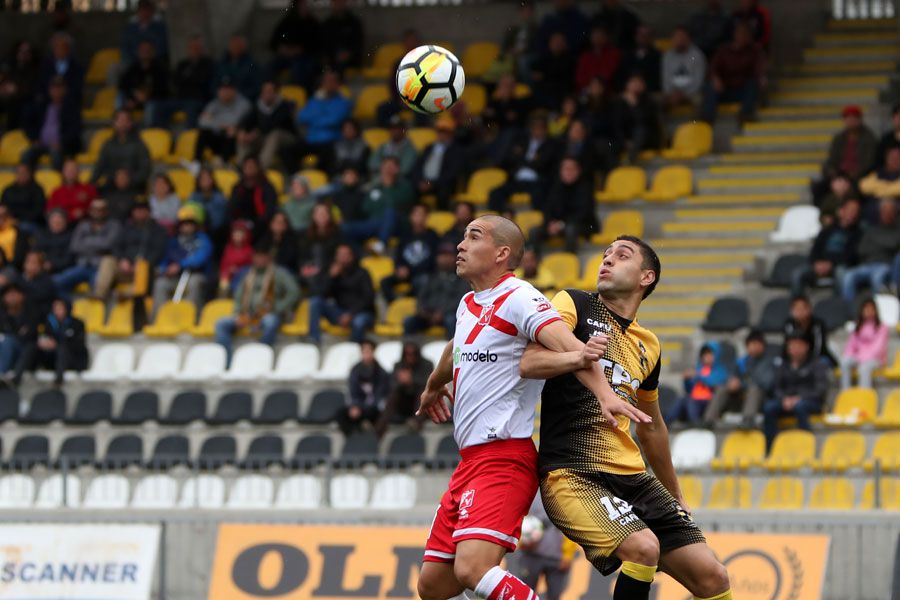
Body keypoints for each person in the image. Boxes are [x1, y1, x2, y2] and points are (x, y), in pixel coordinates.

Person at [415, 218, 652, 600]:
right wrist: (432, 385)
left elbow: (570, 347)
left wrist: (606, 395)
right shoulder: (468, 303)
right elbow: (455, 346)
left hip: (503, 458)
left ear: (501, 253)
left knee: (473, 569)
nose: (460, 245)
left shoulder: (521, 298)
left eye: (473, 237)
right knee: (433, 586)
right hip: (469, 461)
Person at [518, 235, 731, 600]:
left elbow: (652, 427)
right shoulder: (574, 303)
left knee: (714, 577)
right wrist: (579, 357)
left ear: (646, 277)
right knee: (643, 549)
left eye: (621, 255)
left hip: (635, 479)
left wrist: (674, 492)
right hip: (573, 473)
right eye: (605, 255)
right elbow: (529, 362)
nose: (607, 260)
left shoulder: (649, 344)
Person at [215, 242, 300, 363]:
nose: (259, 259)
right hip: (248, 315)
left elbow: (294, 292)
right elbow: (239, 296)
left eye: (262, 256)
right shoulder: (248, 274)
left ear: (269, 258)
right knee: (221, 323)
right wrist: (237, 314)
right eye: (257, 256)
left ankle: (259, 357)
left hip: (270, 313)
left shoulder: (280, 273)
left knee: (270, 321)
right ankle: (227, 362)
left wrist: (278, 308)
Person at [762, 332, 828, 449]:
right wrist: (784, 399)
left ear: (806, 346)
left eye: (798, 346)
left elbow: (820, 389)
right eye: (791, 346)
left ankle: (806, 445)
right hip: (786, 401)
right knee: (769, 407)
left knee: (800, 407)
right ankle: (770, 446)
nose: (794, 349)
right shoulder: (783, 364)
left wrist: (799, 398)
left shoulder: (817, 364)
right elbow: (777, 387)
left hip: (810, 401)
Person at [703, 330, 776, 428]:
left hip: (761, 400)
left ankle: (748, 419)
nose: (753, 347)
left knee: (754, 389)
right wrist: (732, 382)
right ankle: (708, 420)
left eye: (756, 344)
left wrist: (741, 384)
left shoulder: (769, 362)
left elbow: (767, 383)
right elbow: (731, 376)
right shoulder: (742, 362)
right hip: (740, 398)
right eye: (751, 344)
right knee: (722, 388)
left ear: (763, 346)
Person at [488, 114, 560, 212]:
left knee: (541, 195)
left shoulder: (551, 144)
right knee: (495, 193)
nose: (537, 131)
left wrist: (522, 159)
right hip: (517, 179)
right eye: (534, 128)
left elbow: (542, 164)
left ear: (546, 130)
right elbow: (510, 158)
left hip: (537, 181)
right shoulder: (522, 141)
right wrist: (531, 161)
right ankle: (503, 217)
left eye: (540, 128)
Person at [284, 69, 352, 173]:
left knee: (328, 155)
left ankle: (319, 178)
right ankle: (297, 176)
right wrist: (321, 109)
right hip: (311, 140)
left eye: (331, 81)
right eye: (326, 81)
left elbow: (334, 121)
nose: (328, 84)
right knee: (287, 151)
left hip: (330, 141)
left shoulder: (343, 102)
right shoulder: (315, 100)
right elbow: (302, 117)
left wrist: (314, 119)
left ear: (338, 84)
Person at [791, 197, 861, 296]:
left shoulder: (857, 233)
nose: (853, 214)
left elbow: (851, 256)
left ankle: (837, 304)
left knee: (841, 273)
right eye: (850, 210)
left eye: (856, 211)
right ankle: (798, 305)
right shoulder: (828, 230)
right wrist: (817, 263)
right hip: (820, 264)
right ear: (841, 211)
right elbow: (815, 250)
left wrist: (831, 264)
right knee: (797, 274)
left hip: (839, 265)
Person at [342, 156, 414, 253]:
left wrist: (389, 187)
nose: (387, 170)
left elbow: (397, 205)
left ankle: (380, 246)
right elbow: (366, 207)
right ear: (381, 168)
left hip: (397, 225)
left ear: (397, 169)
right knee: (345, 228)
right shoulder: (375, 187)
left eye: (391, 167)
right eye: (385, 167)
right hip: (373, 224)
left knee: (390, 212)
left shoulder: (405, 186)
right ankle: (360, 252)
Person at [52, 199, 121, 298]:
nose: (98, 212)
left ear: (107, 211)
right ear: (90, 211)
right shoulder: (82, 225)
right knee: (56, 282)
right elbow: (74, 246)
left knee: (99, 290)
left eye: (101, 209)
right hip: (82, 265)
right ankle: (66, 308)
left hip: (101, 267)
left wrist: (86, 242)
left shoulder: (114, 226)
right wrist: (98, 244)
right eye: (95, 209)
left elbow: (108, 244)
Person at [513, 494, 578, 600]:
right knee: (523, 595)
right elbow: (519, 517)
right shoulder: (532, 491)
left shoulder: (567, 495)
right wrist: (522, 542)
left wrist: (567, 555)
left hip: (557, 558)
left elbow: (572, 527)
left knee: (554, 596)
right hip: (531, 555)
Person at [700, 22, 765, 124]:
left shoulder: (754, 51)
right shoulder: (724, 50)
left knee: (753, 84)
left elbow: (759, 69)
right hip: (723, 89)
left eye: (746, 34)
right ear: (735, 34)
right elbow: (712, 68)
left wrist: (761, 78)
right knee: (709, 86)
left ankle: (745, 115)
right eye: (740, 33)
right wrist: (715, 78)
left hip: (742, 90)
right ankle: (707, 119)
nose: (743, 36)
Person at [308, 243, 374, 343]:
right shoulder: (334, 273)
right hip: (340, 312)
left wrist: (351, 314)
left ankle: (353, 348)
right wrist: (331, 277)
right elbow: (322, 294)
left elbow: (368, 298)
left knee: (358, 322)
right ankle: (314, 339)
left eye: (344, 255)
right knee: (315, 301)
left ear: (351, 257)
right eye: (339, 255)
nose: (341, 258)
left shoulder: (362, 273)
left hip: (362, 312)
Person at [13, 297, 87, 387]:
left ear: (67, 308)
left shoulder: (77, 324)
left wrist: (56, 344)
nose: (57, 311)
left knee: (62, 349)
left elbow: (78, 345)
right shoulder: (49, 323)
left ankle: (59, 380)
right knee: (31, 347)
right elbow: (44, 337)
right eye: (55, 308)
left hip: (72, 359)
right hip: (53, 358)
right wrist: (44, 343)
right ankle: (16, 378)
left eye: (60, 308)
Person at [152, 205, 212, 315]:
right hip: (175, 277)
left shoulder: (203, 239)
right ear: (179, 226)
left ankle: (190, 317)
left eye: (190, 224)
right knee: (160, 284)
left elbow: (200, 258)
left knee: (194, 284)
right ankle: (160, 319)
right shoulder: (173, 242)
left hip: (195, 274)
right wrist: (164, 269)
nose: (187, 227)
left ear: (195, 225)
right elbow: (166, 259)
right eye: (184, 224)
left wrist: (181, 265)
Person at [403, 242, 470, 337]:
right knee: (409, 321)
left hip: (448, 314)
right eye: (442, 255)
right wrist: (423, 312)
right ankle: (411, 350)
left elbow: (460, 300)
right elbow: (421, 297)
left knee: (451, 321)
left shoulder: (461, 279)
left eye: (448, 255)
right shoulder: (431, 278)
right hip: (428, 315)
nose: (444, 259)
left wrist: (442, 313)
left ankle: (451, 350)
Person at [840, 198, 900, 303]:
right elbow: (862, 249)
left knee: (877, 277)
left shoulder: (897, 230)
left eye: (890, 212)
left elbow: (894, 244)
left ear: (895, 213)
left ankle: (877, 309)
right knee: (848, 276)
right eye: (884, 211)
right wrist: (884, 245)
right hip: (866, 264)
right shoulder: (871, 229)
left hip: (886, 265)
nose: (886, 214)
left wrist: (877, 243)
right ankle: (850, 309)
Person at [530, 157, 596, 253]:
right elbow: (548, 208)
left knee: (570, 229)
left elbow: (583, 213)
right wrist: (550, 223)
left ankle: (569, 259)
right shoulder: (555, 188)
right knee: (534, 231)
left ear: (578, 171)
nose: (568, 172)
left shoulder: (585, 188)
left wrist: (561, 224)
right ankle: (534, 262)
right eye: (565, 169)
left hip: (581, 225)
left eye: (571, 169)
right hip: (557, 225)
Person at [148, 34, 213, 128]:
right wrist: (191, 79)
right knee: (158, 106)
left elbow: (202, 81)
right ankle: (161, 135)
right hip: (180, 98)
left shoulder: (208, 64)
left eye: (197, 47)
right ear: (188, 48)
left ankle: (190, 137)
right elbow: (176, 81)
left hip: (198, 99)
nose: (195, 49)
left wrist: (188, 78)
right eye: (192, 47)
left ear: (202, 49)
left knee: (191, 108)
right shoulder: (182, 64)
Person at [22, 75, 81, 170]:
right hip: (41, 143)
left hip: (61, 145)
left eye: (59, 88)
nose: (56, 91)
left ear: (64, 89)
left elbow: (75, 129)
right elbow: (28, 124)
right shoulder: (41, 105)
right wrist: (34, 139)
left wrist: (61, 142)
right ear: (49, 89)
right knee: (26, 155)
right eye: (53, 88)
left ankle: (59, 181)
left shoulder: (71, 107)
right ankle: (28, 182)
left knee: (56, 155)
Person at [382, 203, 439, 302]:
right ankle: (395, 304)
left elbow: (432, 260)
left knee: (422, 280)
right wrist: (399, 268)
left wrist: (411, 270)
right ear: (410, 217)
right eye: (415, 214)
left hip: (423, 273)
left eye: (421, 214)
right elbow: (398, 255)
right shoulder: (405, 235)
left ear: (426, 217)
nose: (418, 217)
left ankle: (409, 302)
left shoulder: (432, 236)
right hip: (406, 273)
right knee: (385, 282)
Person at [236, 80, 297, 169]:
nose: (265, 94)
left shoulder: (286, 105)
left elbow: (271, 125)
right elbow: (246, 121)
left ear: (276, 93)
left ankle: (261, 168)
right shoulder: (258, 105)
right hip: (264, 138)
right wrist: (242, 131)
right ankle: (242, 167)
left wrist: (254, 134)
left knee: (275, 134)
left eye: (269, 92)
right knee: (242, 137)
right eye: (264, 91)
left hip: (287, 139)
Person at [665, 342, 728, 426]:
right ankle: (666, 422)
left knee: (691, 401)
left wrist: (698, 376)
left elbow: (714, 382)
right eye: (705, 354)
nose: (707, 357)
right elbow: (689, 389)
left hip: (709, 402)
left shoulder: (721, 370)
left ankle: (695, 423)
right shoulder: (699, 369)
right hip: (695, 400)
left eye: (710, 354)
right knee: (682, 399)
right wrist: (686, 380)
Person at [378, 341, 433, 436]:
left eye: (413, 354)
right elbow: (392, 385)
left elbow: (430, 385)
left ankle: (416, 423)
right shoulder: (398, 365)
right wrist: (402, 382)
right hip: (403, 404)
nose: (410, 356)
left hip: (421, 405)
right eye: (407, 354)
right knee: (394, 394)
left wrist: (411, 380)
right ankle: (379, 428)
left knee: (422, 392)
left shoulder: (427, 364)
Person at [115, 198, 167, 295]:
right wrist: (122, 260)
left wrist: (142, 263)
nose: (139, 212)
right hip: (126, 267)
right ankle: (98, 294)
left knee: (142, 267)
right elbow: (116, 246)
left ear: (149, 211)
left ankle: (134, 297)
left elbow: (159, 251)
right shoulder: (126, 228)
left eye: (143, 209)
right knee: (107, 261)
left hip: (148, 269)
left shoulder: (158, 229)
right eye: (137, 210)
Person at [338, 339, 390, 436]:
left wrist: (361, 408)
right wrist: (355, 406)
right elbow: (353, 391)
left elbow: (379, 395)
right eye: (364, 351)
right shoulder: (355, 370)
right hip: (358, 406)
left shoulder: (381, 372)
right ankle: (351, 436)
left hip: (373, 407)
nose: (366, 354)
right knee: (341, 413)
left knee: (376, 413)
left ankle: (367, 430)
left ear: (373, 352)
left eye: (368, 351)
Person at [90, 110, 151, 191]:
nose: (122, 123)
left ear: (130, 123)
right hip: (111, 186)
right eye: (119, 120)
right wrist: (89, 185)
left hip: (134, 187)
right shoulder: (108, 145)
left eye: (125, 120)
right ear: (114, 123)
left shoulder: (139, 145)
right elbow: (99, 167)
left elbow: (145, 169)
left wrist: (128, 179)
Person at [411, 119, 466, 209]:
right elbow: (417, 166)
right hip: (424, 181)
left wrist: (432, 184)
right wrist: (419, 181)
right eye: (440, 131)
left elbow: (452, 173)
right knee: (409, 189)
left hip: (441, 184)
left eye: (445, 132)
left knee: (444, 191)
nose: (442, 134)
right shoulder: (428, 147)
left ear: (451, 133)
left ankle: (441, 215)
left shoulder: (456, 151)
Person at [195, 78, 251, 163]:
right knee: (203, 133)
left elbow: (234, 122)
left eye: (228, 89)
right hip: (218, 138)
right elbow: (202, 122)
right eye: (222, 89)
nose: (225, 92)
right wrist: (222, 125)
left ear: (234, 90)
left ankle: (224, 162)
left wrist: (213, 119)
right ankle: (196, 163)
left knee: (231, 132)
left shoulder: (243, 103)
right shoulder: (214, 103)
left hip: (235, 141)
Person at [821, 105, 878, 184]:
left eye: (853, 118)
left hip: (860, 176)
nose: (851, 121)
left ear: (860, 119)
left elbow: (869, 163)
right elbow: (832, 159)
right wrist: (833, 174)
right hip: (839, 175)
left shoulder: (869, 138)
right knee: (819, 188)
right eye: (848, 118)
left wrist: (854, 175)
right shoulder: (839, 138)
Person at [840, 298, 889, 390]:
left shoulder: (882, 327)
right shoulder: (858, 326)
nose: (869, 311)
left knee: (864, 368)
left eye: (871, 309)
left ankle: (864, 396)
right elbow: (850, 346)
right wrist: (849, 355)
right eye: (866, 309)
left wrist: (862, 358)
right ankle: (845, 392)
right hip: (859, 357)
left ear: (876, 310)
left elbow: (878, 348)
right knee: (844, 362)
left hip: (876, 359)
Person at [613, 74, 663, 163]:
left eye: (638, 82)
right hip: (627, 140)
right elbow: (617, 124)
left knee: (641, 129)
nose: (636, 85)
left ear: (644, 85)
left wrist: (634, 105)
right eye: (633, 82)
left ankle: (630, 158)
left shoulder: (650, 101)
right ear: (627, 85)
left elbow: (644, 122)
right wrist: (625, 141)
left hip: (648, 139)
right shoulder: (620, 103)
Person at [298, 203, 345, 294]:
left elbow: (343, 251)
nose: (322, 216)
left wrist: (338, 264)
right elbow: (302, 256)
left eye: (324, 213)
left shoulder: (338, 233)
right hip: (313, 268)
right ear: (313, 216)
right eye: (319, 214)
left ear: (329, 216)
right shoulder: (306, 235)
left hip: (330, 268)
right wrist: (305, 267)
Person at [783, 295, 837, 367]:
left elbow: (820, 348)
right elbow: (788, 345)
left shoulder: (818, 324)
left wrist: (808, 361)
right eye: (796, 309)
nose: (800, 312)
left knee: (822, 362)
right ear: (791, 311)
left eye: (803, 308)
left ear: (809, 309)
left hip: (818, 356)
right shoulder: (789, 324)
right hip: (796, 357)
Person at [229, 156, 278, 234]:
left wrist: (256, 223)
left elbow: (269, 211)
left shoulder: (267, 187)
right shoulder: (238, 187)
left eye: (252, 166)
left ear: (258, 168)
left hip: (260, 225)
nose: (249, 169)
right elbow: (231, 208)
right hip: (239, 224)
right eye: (247, 167)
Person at [117, 40, 168, 115]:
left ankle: (149, 126)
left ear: (153, 52)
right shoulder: (132, 68)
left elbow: (163, 90)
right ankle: (121, 124)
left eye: (148, 50)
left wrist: (147, 96)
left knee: (151, 106)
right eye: (143, 50)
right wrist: (132, 97)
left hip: (153, 100)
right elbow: (123, 85)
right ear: (138, 51)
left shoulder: (160, 69)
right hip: (134, 99)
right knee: (120, 98)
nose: (145, 52)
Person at [661, 26, 707, 110]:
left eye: (682, 37)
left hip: (692, 92)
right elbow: (665, 79)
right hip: (673, 92)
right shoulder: (668, 55)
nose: (679, 40)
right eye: (676, 37)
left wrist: (684, 94)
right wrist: (672, 93)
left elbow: (698, 80)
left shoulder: (697, 55)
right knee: (657, 101)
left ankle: (695, 123)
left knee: (700, 100)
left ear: (688, 39)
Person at [530, 32, 576, 110]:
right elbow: (535, 69)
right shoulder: (545, 57)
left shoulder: (570, 58)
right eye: (554, 41)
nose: (556, 44)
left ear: (564, 44)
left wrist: (545, 75)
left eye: (559, 41)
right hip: (545, 90)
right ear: (549, 43)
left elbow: (562, 74)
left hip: (561, 91)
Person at [0, 283, 37, 381]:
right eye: (8, 295)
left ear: (22, 296)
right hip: (4, 350)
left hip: (24, 352)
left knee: (7, 340)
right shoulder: (2, 314)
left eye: (14, 294)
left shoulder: (30, 312)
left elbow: (30, 335)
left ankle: (2, 374)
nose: (12, 298)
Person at [186, 167, 229, 249]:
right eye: (202, 178)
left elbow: (218, 222)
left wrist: (203, 226)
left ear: (212, 180)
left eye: (207, 178)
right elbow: (188, 214)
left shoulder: (219, 197)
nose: (205, 181)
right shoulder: (194, 196)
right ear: (198, 181)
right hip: (196, 229)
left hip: (214, 233)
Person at [36, 32, 83, 104]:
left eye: (62, 47)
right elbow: (41, 82)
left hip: (69, 100)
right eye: (56, 47)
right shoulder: (46, 64)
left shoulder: (76, 65)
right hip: (48, 99)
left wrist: (62, 93)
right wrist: (52, 93)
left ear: (68, 48)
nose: (59, 49)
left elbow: (77, 85)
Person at [120, 0, 168, 67]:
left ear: (152, 12)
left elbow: (162, 47)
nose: (145, 13)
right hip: (132, 61)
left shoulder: (160, 28)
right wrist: (136, 58)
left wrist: (148, 56)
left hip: (153, 62)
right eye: (142, 10)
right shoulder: (130, 29)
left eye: (147, 10)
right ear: (138, 12)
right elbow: (125, 47)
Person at [214, 33, 261, 101]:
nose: (236, 47)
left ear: (244, 47)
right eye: (233, 45)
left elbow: (256, 87)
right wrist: (219, 93)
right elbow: (214, 82)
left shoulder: (252, 65)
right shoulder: (221, 64)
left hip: (242, 100)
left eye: (239, 45)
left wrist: (236, 95)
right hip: (221, 100)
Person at [321, 0, 364, 72]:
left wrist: (349, 54)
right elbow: (323, 44)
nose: (338, 4)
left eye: (340, 1)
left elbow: (358, 44)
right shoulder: (327, 24)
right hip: (331, 58)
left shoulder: (354, 23)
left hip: (351, 60)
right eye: (335, 2)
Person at [46, 159, 94, 223]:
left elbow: (96, 208)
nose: (71, 171)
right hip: (63, 225)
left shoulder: (88, 189)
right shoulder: (56, 192)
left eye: (73, 169)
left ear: (78, 171)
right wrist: (69, 215)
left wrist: (84, 211)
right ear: (63, 172)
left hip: (83, 223)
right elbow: (50, 211)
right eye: (68, 169)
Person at [574, 26, 621, 92]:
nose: (598, 38)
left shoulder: (614, 54)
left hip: (607, 91)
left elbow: (609, 75)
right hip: (587, 91)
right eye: (595, 35)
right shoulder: (585, 56)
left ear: (606, 37)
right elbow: (580, 78)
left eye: (601, 35)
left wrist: (598, 86)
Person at [1, 162, 45, 231]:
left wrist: (17, 219)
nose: (21, 175)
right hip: (9, 221)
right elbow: (3, 207)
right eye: (18, 172)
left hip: (29, 222)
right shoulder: (8, 189)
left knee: (23, 227)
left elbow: (38, 212)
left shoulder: (37, 190)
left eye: (24, 172)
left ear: (30, 173)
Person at [620, 25, 662, 92]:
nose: (644, 37)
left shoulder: (658, 56)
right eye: (641, 34)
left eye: (647, 35)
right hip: (628, 91)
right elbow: (622, 74)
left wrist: (642, 87)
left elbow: (657, 78)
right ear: (636, 36)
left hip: (649, 92)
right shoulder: (627, 55)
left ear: (652, 38)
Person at [219, 220, 254, 293]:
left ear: (246, 235)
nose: (237, 235)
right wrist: (228, 270)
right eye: (235, 232)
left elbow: (250, 267)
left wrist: (238, 270)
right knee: (223, 285)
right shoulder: (228, 248)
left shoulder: (249, 250)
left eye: (241, 233)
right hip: (228, 276)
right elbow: (224, 264)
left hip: (242, 277)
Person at [35, 209, 73, 275]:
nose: (56, 223)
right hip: (41, 268)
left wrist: (52, 264)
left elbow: (68, 259)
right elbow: (35, 252)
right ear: (49, 222)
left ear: (65, 222)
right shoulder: (42, 235)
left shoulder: (70, 237)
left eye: (59, 222)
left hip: (62, 271)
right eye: (54, 221)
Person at [875, 104, 900, 168]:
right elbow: (878, 162)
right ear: (893, 119)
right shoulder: (886, 140)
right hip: (890, 176)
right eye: (897, 116)